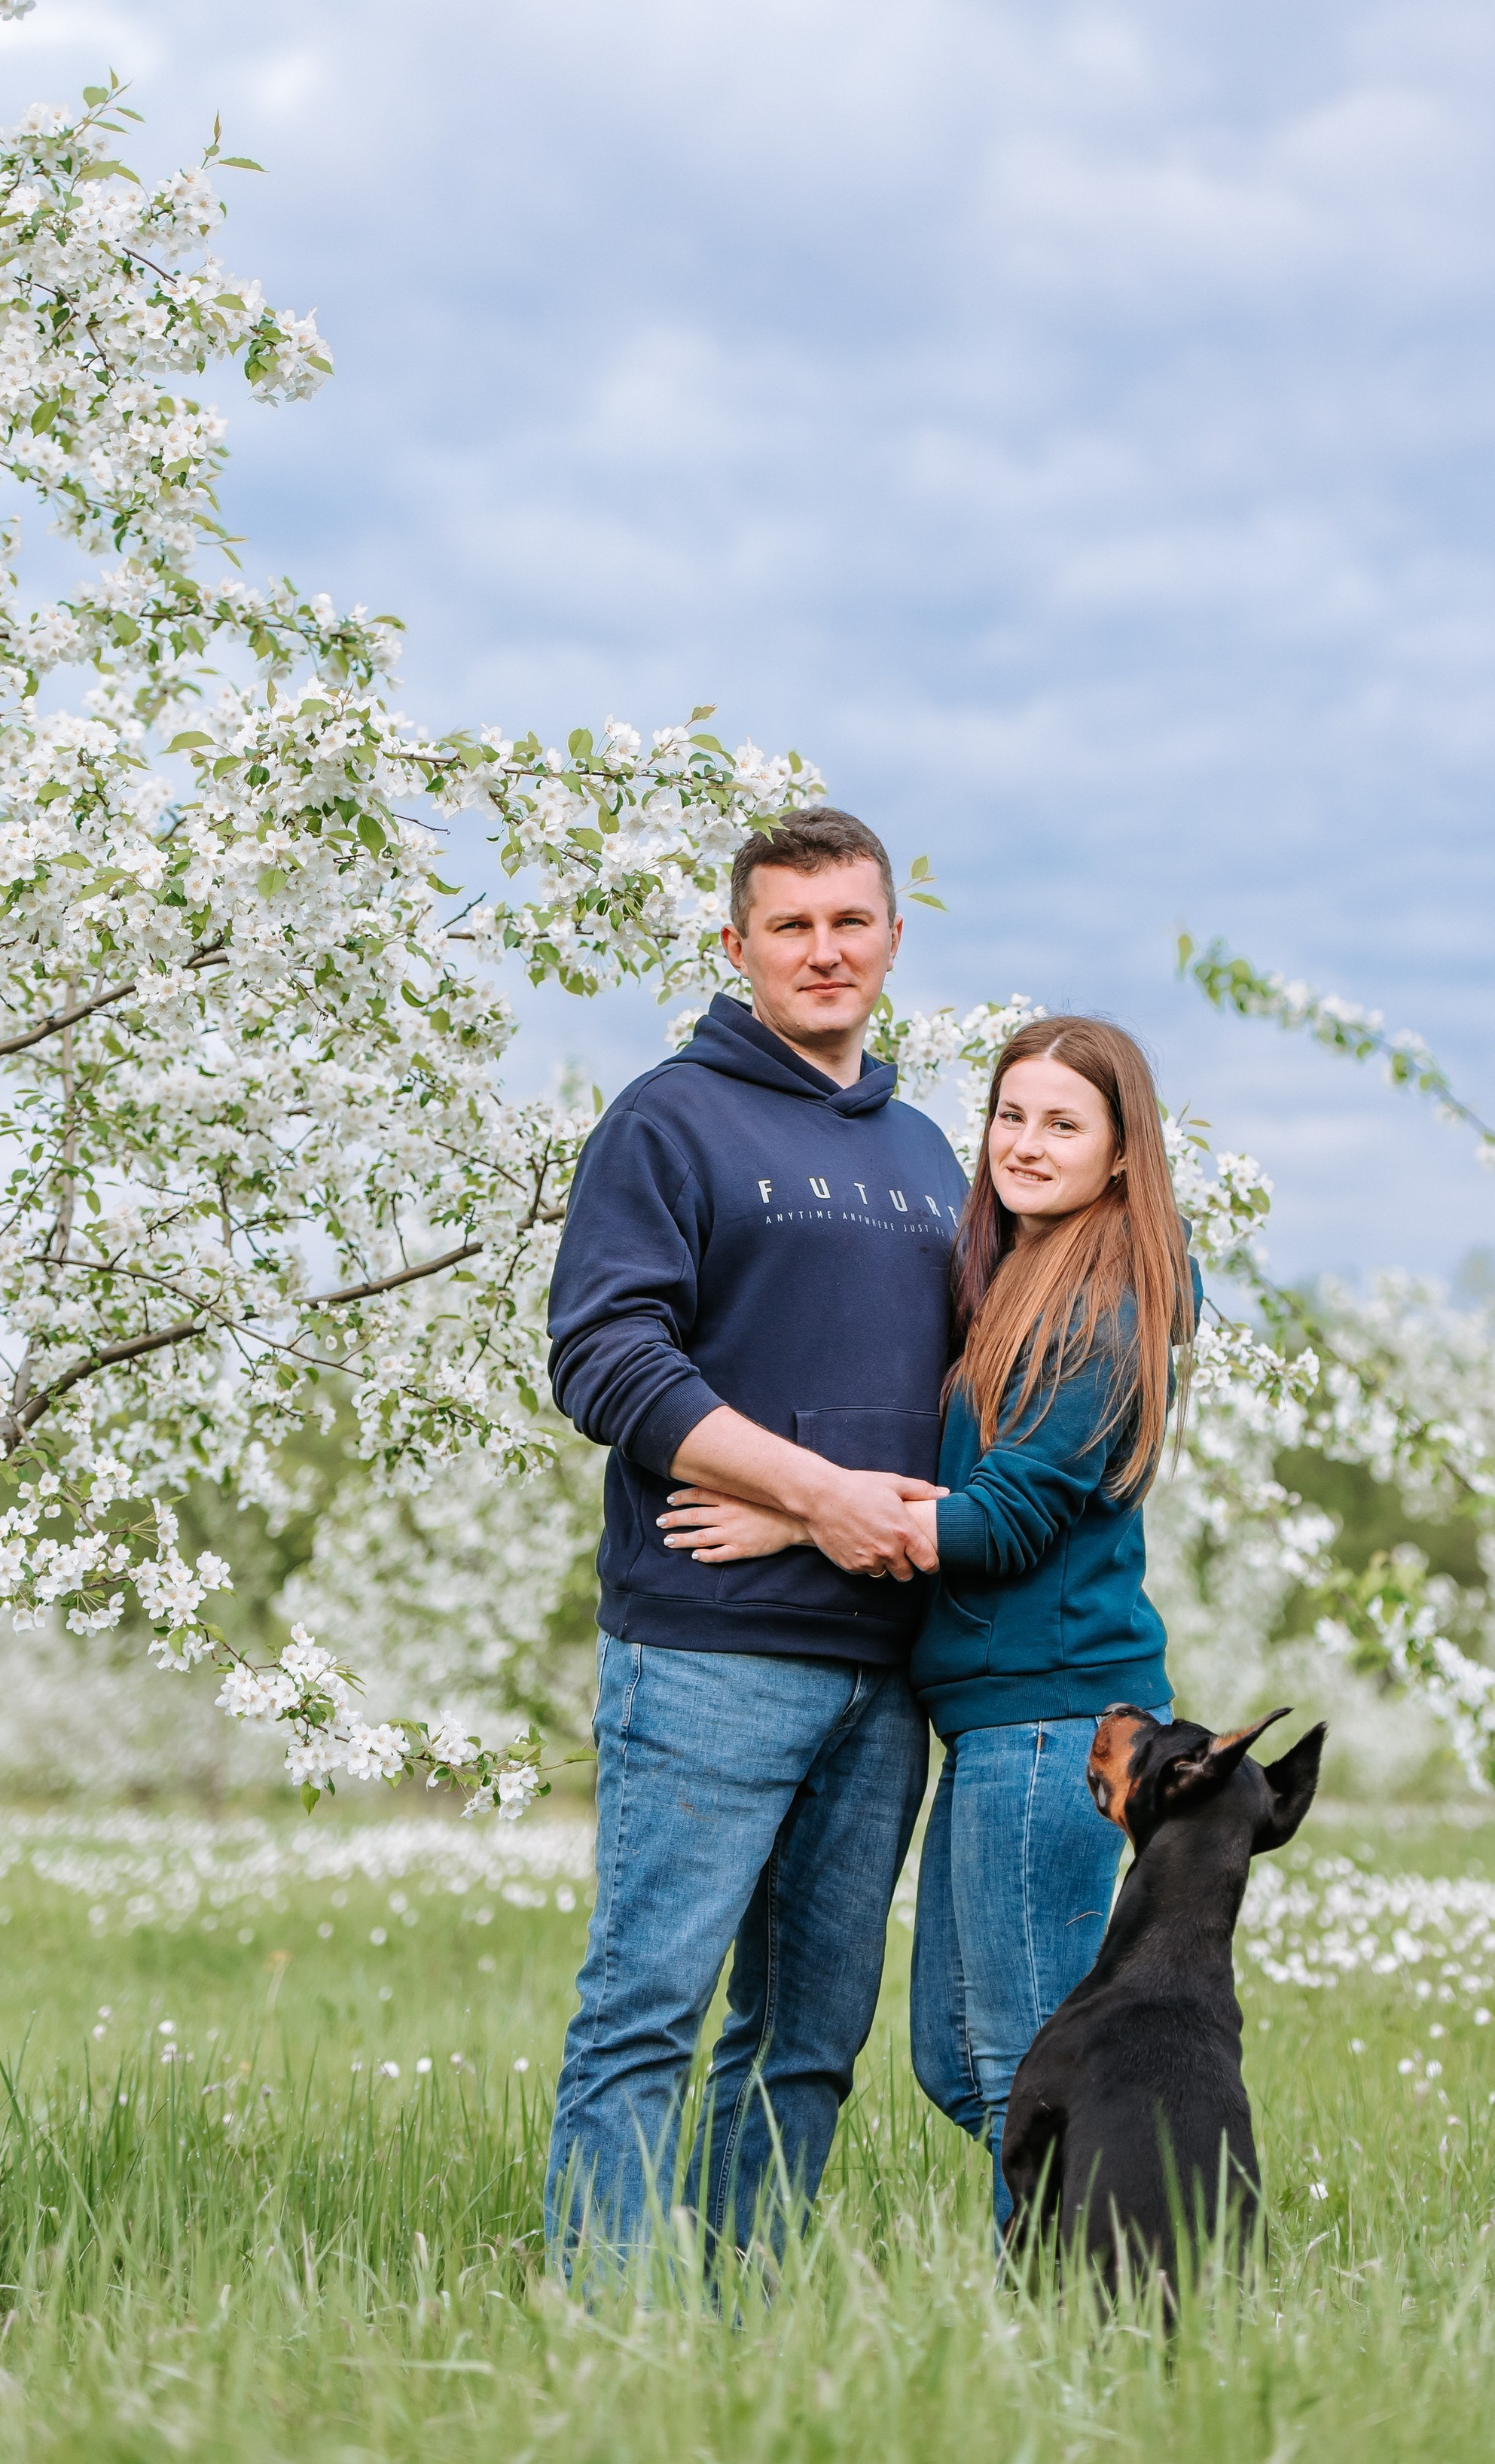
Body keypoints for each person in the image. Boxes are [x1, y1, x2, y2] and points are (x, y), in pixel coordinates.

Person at [662, 1013, 1197, 2233]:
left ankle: (1086, 2316)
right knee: (968, 2064)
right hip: (1006, 1716)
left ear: (1122, 1153)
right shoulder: (1028, 1275)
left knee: (1011, 2069)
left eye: (1064, 1123)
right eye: (1011, 1115)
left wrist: (799, 1520)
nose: (1026, 1142)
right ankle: (1117, 2267)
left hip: (1055, 1720)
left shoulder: (1106, 1306)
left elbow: (1007, 1522)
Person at [542, 807, 968, 2269]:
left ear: (893, 941)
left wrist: (850, 1512)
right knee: (643, 2014)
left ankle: (738, 2338)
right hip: (709, 1646)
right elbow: (603, 1357)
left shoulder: (926, 1154)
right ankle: (609, 2335)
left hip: (886, 1664)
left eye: (849, 920)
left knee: (807, 2040)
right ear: (735, 947)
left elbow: (970, 1398)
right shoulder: (669, 1119)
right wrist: (811, 1492)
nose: (822, 949)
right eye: (788, 925)